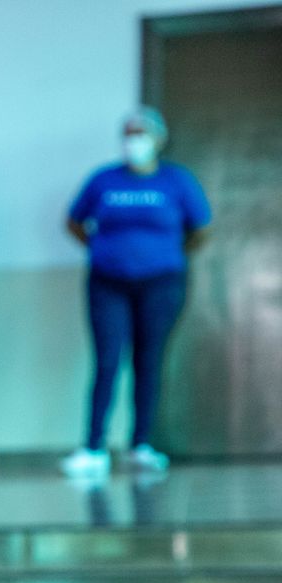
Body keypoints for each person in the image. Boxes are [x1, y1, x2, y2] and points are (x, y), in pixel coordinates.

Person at [61, 106, 212, 480]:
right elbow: (75, 222)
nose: (135, 141)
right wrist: (104, 250)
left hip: (161, 283)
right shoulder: (104, 181)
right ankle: (93, 447)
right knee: (108, 360)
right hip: (108, 283)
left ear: (159, 140)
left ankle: (141, 443)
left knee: (149, 360)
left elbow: (200, 228)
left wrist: (167, 254)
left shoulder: (177, 181)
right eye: (129, 133)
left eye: (142, 134)